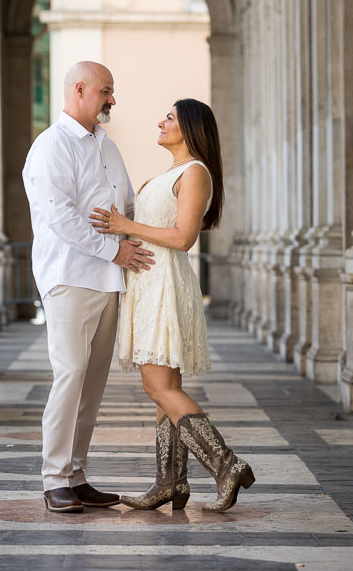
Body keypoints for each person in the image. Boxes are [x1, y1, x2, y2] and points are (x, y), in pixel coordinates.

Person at [90, 98, 255, 513]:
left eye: (170, 118)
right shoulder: (172, 173)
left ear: (191, 128)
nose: (160, 122)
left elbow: (183, 237)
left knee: (157, 386)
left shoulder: (196, 172)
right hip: (148, 283)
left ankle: (227, 465)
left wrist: (125, 226)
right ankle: (170, 483)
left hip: (164, 283)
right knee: (166, 390)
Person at [22, 61, 155, 513]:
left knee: (93, 382)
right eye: (106, 91)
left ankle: (77, 475)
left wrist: (135, 241)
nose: (112, 99)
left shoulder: (108, 146)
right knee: (70, 374)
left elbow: (127, 203)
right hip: (69, 277)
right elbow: (60, 217)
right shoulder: (49, 147)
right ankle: (54, 477)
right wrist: (114, 251)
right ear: (79, 90)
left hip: (108, 280)